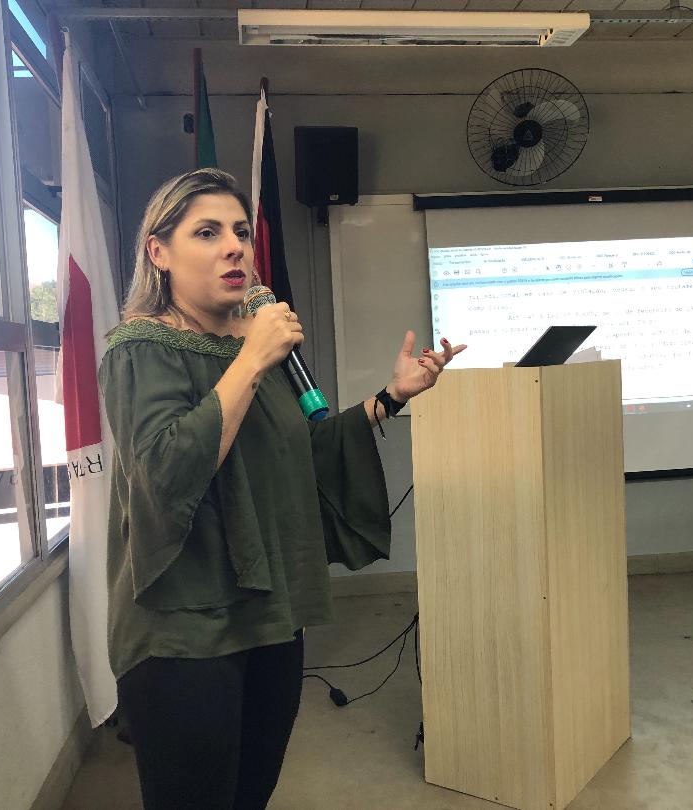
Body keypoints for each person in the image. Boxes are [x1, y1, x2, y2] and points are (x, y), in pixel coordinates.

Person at [99, 169, 465, 810]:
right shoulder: (142, 348)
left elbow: (301, 451)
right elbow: (164, 475)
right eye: (207, 233)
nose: (234, 247)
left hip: (270, 615)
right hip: (186, 629)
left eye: (240, 232)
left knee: (251, 794)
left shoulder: (258, 347)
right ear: (158, 252)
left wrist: (391, 397)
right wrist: (251, 358)